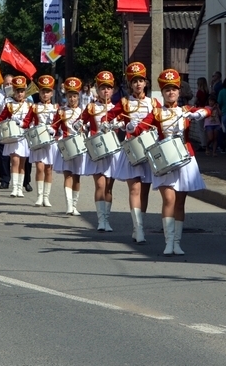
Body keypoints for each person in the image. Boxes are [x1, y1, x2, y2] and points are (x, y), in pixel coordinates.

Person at [133, 69, 210, 255]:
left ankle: (177, 242)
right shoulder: (157, 113)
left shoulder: (186, 110)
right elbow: (139, 128)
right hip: (165, 160)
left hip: (185, 159)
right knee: (169, 199)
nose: (171, 93)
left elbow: (208, 110)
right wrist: (131, 127)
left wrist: (198, 114)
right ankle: (168, 242)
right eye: (167, 90)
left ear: (179, 91)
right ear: (163, 92)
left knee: (180, 203)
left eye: (174, 89)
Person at [106, 62, 155, 244]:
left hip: (149, 147)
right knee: (134, 188)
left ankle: (138, 226)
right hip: (132, 148)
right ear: (130, 84)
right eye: (134, 81)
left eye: (141, 80)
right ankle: (139, 228)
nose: (138, 84)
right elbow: (109, 116)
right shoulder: (125, 102)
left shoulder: (154, 103)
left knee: (145, 191)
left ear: (146, 82)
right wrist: (115, 124)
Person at [81, 71, 117, 231]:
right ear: (97, 89)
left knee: (109, 186)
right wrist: (81, 126)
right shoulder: (91, 107)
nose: (106, 91)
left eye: (109, 88)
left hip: (113, 150)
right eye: (102, 88)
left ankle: (107, 219)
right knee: (100, 185)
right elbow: (80, 121)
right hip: (97, 149)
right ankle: (101, 220)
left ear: (113, 90)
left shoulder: (117, 108)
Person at [22, 74, 59, 208]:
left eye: (47, 91)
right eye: (43, 91)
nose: (45, 94)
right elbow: (27, 121)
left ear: (52, 93)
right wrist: (27, 127)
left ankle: (46, 197)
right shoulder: (34, 107)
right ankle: (39, 196)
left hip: (50, 141)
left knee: (48, 169)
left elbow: (59, 124)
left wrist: (55, 130)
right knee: (39, 167)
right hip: (38, 140)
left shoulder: (56, 108)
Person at [51, 77, 85, 215]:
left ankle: (75, 205)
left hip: (79, 144)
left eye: (75, 96)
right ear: (66, 96)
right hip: (66, 144)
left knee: (77, 176)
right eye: (70, 96)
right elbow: (54, 126)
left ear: (78, 96)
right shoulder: (61, 111)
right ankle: (69, 205)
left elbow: (88, 127)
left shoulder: (83, 111)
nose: (72, 99)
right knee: (68, 175)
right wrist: (52, 131)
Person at [0, 76, 32, 198]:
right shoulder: (9, 105)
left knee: (22, 162)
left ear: (25, 92)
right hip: (12, 136)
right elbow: (1, 117)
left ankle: (20, 189)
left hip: (23, 136)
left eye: (22, 91)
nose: (19, 94)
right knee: (15, 161)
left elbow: (29, 120)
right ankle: (14, 187)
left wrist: (22, 123)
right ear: (14, 92)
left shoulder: (29, 106)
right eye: (17, 91)